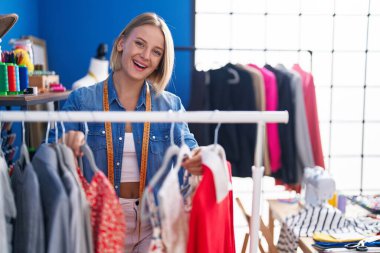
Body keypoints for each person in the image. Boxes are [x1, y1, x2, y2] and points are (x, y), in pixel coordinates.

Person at [52, 12, 203, 252]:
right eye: (140, 44)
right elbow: (49, 151)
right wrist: (65, 143)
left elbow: (188, 144)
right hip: (99, 218)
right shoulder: (82, 100)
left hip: (154, 220)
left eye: (156, 51)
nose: (145, 56)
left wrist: (199, 157)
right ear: (122, 43)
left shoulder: (170, 105)